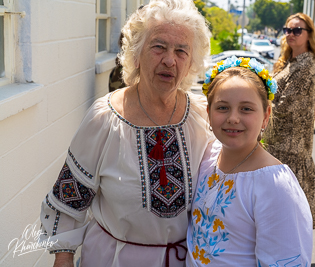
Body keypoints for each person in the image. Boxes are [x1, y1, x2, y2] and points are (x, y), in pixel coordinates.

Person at [39, 0, 212, 266]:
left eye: (181, 51)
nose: (169, 59)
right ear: (136, 53)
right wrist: (64, 258)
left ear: (191, 63)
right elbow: (69, 200)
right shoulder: (105, 118)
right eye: (159, 47)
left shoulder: (202, 117)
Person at [186, 56, 313, 266]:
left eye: (246, 109)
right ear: (208, 112)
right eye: (222, 107)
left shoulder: (274, 185)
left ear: (265, 115)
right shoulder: (207, 157)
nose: (233, 118)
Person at [266, 13, 315, 229]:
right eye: (287, 30)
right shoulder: (289, 62)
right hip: (277, 146)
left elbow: (286, 106)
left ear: (308, 35)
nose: (291, 34)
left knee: (287, 220)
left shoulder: (306, 64)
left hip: (290, 151)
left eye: (297, 30)